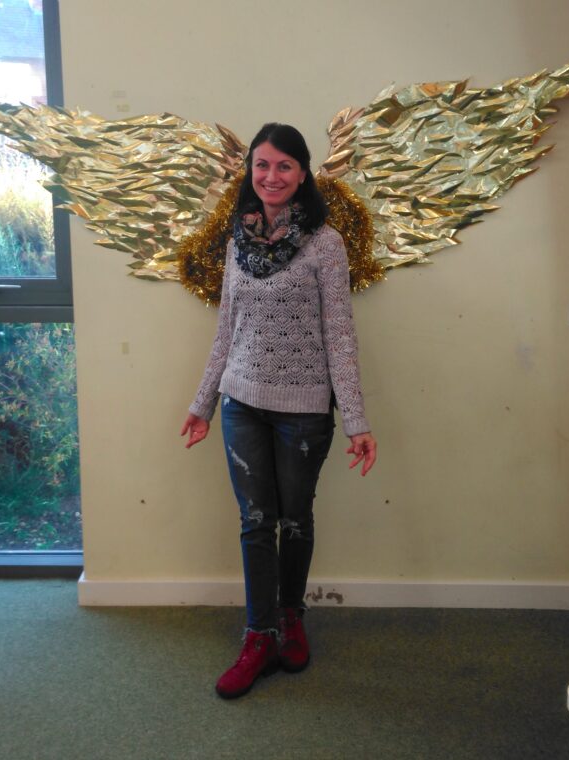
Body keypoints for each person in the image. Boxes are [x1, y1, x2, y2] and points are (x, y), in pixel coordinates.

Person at [181, 123, 377, 699]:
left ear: (303, 173)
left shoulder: (326, 244)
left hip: (304, 412)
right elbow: (226, 332)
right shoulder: (237, 240)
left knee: (295, 520)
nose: (271, 176)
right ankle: (258, 634)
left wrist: (358, 421)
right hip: (243, 403)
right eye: (262, 165)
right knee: (254, 522)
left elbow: (339, 337)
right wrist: (203, 404)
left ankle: (291, 616)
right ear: (250, 172)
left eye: (284, 166)